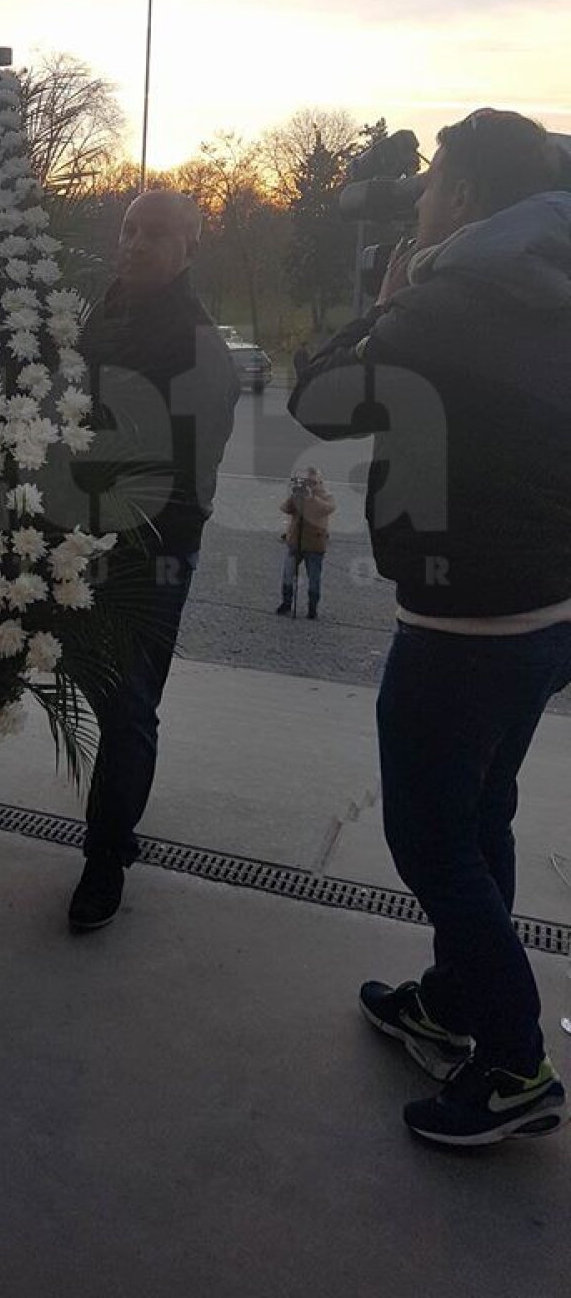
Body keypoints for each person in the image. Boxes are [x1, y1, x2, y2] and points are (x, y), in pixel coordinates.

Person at [290, 108, 571, 1146]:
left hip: (467, 622)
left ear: (463, 196)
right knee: (481, 809)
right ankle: (455, 1002)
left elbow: (319, 400)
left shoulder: (456, 300)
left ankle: (513, 1060)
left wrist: (385, 304)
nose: (416, 198)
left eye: (430, 182)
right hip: (547, 610)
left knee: (429, 835)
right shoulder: (555, 281)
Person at [68, 189, 239, 932]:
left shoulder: (199, 348)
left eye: (156, 235)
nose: (135, 244)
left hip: (153, 552)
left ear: (188, 249)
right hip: (83, 537)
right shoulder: (99, 317)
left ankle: (106, 857)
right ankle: (118, 815)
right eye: (129, 230)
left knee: (131, 706)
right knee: (105, 694)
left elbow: (190, 484)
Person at [275, 466, 335, 619]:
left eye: (313, 482)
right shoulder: (299, 495)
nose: (311, 485)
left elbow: (328, 509)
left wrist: (311, 498)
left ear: (320, 482)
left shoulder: (326, 495)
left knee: (314, 578)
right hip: (295, 542)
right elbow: (285, 508)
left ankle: (312, 608)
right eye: (307, 482)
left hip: (315, 544)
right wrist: (294, 496)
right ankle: (286, 603)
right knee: (288, 574)